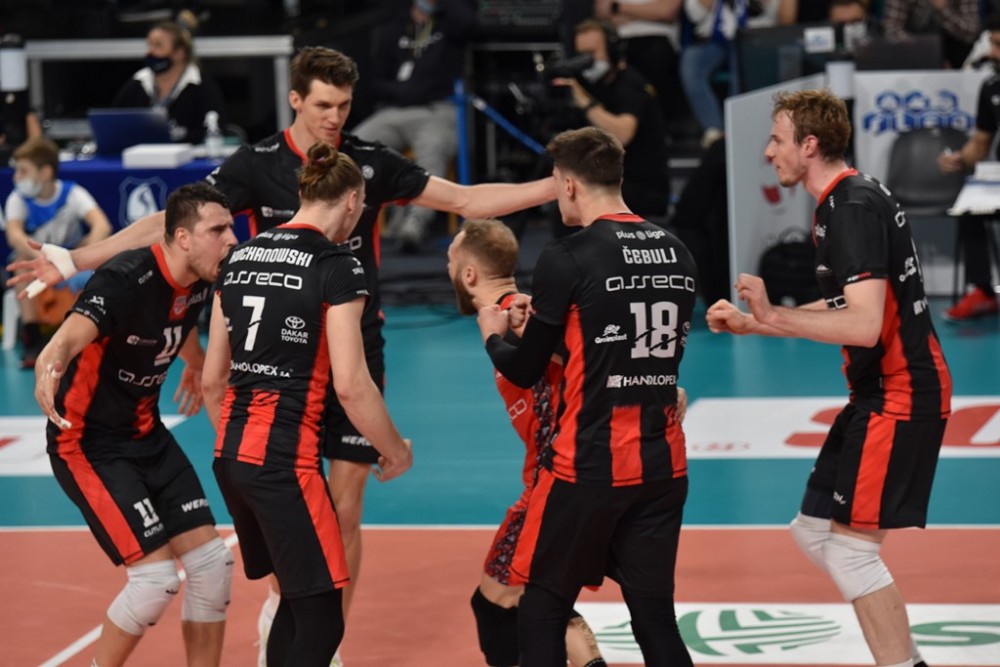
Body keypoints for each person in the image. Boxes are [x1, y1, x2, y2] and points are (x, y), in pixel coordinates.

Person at [8, 44, 557, 667]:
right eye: (323, 105)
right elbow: (173, 225)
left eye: (344, 105)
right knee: (287, 498)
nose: (334, 117)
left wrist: (564, 186)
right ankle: (289, 613)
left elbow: (466, 200)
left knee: (343, 507)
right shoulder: (257, 164)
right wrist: (75, 261)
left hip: (353, 345)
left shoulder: (367, 164)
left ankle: (324, 644)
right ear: (295, 99)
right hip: (279, 359)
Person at [706, 89, 950, 667]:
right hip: (877, 392)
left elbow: (863, 326)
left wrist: (773, 315)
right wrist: (755, 324)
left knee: (850, 553)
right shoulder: (847, 199)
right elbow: (851, 308)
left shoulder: (851, 208)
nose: (768, 152)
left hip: (899, 394)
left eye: (777, 140)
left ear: (809, 145)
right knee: (814, 531)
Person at [477, 126, 696, 666]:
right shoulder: (678, 251)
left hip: (588, 465)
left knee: (542, 610)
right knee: (655, 620)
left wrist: (494, 335)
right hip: (662, 463)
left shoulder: (568, 256)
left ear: (569, 184)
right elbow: (620, 346)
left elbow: (525, 370)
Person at [202, 142, 413, 667]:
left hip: (232, 458)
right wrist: (394, 451)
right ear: (353, 200)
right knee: (323, 618)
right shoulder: (337, 264)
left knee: (297, 605)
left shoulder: (239, 257)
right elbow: (352, 385)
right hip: (284, 461)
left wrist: (240, 447)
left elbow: (212, 381)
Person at [32, 182, 237, 667]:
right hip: (88, 445)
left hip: (146, 433)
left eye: (231, 227)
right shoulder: (125, 280)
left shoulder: (202, 275)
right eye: (219, 230)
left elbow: (179, 323)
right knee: (154, 582)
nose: (231, 239)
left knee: (213, 567)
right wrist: (49, 365)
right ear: (183, 238)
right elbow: (67, 338)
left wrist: (195, 362)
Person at [447, 217, 607, 667]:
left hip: (554, 485)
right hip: (558, 481)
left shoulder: (520, 317)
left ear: (469, 274)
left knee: (505, 603)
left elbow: (592, 358)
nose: (447, 270)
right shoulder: (517, 314)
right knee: (527, 599)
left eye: (449, 262)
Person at [353, 0, 476, 252]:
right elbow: (375, 79)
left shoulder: (450, 21)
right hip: (394, 109)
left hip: (437, 109)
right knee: (353, 145)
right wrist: (402, 92)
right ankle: (345, 221)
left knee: (433, 148)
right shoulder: (395, 24)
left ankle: (415, 223)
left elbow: (470, 24)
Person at [3, 136, 112, 368]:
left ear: (45, 172)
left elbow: (102, 226)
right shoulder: (17, 199)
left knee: (102, 257)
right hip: (39, 260)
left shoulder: (72, 193)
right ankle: (32, 337)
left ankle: (90, 334)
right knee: (21, 262)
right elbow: (15, 236)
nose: (16, 177)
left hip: (71, 259)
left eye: (23, 171)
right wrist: (45, 259)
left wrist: (79, 256)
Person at [554, 19, 671, 218]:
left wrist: (585, 103)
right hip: (606, 180)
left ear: (613, 50)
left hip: (641, 187)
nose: (587, 60)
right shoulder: (590, 84)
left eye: (593, 53)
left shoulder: (631, 84)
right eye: (582, 54)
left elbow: (623, 134)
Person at [937, 13, 1000, 321]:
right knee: (968, 210)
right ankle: (983, 291)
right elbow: (981, 143)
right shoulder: (991, 88)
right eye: (993, 45)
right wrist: (960, 158)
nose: (994, 54)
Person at [680, 0, 797, 148]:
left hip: (755, 36)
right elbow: (694, 14)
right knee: (691, 65)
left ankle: (735, 129)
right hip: (712, 39)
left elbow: (787, 20)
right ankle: (715, 133)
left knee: (741, 66)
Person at [112, 20, 226, 145]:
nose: (150, 52)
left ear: (179, 53)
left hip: (190, 154)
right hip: (140, 154)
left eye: (158, 45)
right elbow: (114, 124)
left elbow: (214, 130)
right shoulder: (138, 82)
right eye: (149, 45)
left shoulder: (200, 85)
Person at [592, 0, 688, 127]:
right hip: (617, 42)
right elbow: (602, 13)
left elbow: (667, 12)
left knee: (655, 58)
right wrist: (646, 13)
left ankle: (662, 128)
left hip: (658, 41)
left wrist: (617, 7)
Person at [882, 0, 980, 69]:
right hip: (912, 52)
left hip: (956, 55)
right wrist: (929, 55)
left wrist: (943, 10)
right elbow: (892, 31)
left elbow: (972, 33)